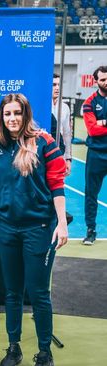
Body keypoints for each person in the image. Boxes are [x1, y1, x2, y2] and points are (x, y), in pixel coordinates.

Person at [0, 94, 68, 366]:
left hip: (38, 229)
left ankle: (45, 353)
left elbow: (57, 185)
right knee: (12, 293)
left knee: (38, 294)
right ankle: (14, 348)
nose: (12, 118)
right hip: (7, 229)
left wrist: (62, 223)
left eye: (17, 113)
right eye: (7, 114)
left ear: (26, 114)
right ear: (1, 117)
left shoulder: (44, 143)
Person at [82, 65, 107, 245]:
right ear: (96, 81)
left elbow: (98, 126)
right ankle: (90, 230)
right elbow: (92, 130)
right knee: (91, 194)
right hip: (96, 154)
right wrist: (99, 124)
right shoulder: (89, 102)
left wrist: (101, 122)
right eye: (103, 80)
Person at [51, 73, 72, 175]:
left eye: (59, 85)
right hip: (44, 154)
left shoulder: (65, 108)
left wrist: (68, 158)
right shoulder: (40, 106)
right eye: (54, 85)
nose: (57, 88)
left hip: (59, 154)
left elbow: (67, 134)